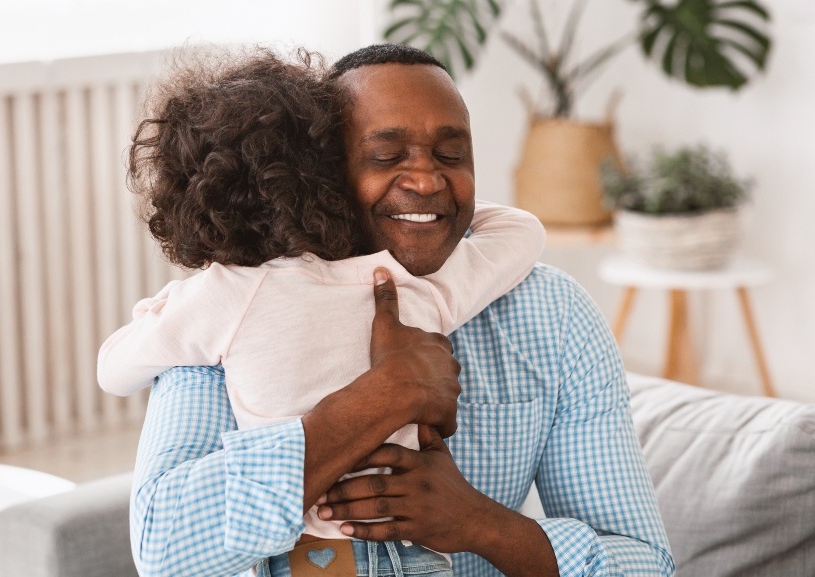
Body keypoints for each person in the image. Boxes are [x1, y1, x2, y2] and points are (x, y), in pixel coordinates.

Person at [123, 44, 674, 577]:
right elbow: (164, 548)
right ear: (324, 178)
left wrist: (476, 524)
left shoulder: (551, 314)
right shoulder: (243, 302)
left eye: (451, 155)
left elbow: (647, 565)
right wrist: (381, 398)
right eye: (387, 157)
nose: (427, 180)